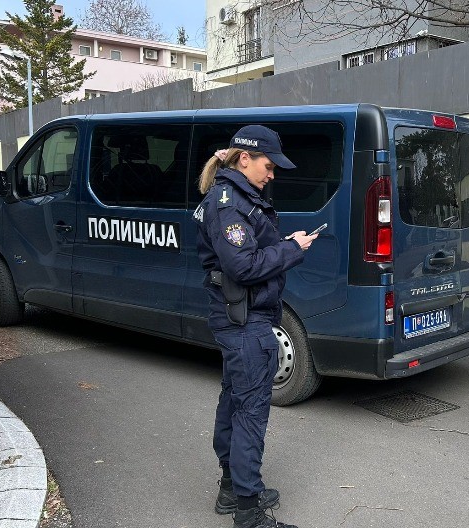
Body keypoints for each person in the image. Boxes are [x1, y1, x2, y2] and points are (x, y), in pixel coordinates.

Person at [194, 125, 316, 528]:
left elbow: (250, 250)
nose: (273, 173)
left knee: (235, 401)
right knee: (250, 411)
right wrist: (292, 249)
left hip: (243, 316)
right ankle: (248, 512)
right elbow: (242, 266)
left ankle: (233, 488)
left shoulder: (241, 196)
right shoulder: (229, 205)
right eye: (269, 165)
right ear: (244, 159)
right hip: (243, 319)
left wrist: (285, 244)